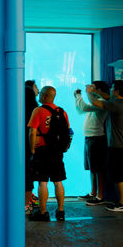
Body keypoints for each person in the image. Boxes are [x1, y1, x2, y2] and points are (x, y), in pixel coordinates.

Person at [28, 86, 70, 222]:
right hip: (57, 151)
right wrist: (65, 147)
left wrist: (32, 149)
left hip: (42, 150)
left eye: (40, 94)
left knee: (43, 182)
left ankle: (43, 212)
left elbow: (32, 132)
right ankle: (61, 211)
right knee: (58, 181)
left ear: (45, 96)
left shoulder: (38, 110)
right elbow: (68, 132)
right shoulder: (62, 112)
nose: (38, 95)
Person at [86, 80, 123, 212]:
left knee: (118, 176)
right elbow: (109, 98)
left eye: (113, 88)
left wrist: (89, 93)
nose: (111, 90)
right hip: (118, 145)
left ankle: (121, 203)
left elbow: (95, 102)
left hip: (118, 146)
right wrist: (95, 91)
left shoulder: (116, 105)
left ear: (118, 91)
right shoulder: (118, 102)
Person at [74, 81, 108, 205]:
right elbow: (80, 110)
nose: (88, 88)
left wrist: (81, 95)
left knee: (98, 168)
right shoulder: (93, 102)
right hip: (89, 137)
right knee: (92, 168)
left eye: (92, 87)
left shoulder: (102, 102)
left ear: (98, 90)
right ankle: (93, 193)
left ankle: (100, 196)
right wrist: (77, 97)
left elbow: (84, 108)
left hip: (97, 138)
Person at [25, 84, 39, 214]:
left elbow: (32, 132)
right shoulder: (36, 110)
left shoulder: (17, 111)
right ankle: (27, 204)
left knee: (24, 176)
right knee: (28, 177)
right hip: (32, 149)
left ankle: (25, 204)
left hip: (22, 149)